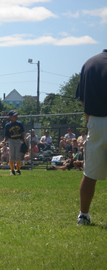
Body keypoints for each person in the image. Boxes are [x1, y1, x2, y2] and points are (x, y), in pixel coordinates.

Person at [75, 49, 107, 225]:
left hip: (96, 122)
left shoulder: (90, 63)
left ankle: (83, 215)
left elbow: (82, 99)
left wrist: (91, 119)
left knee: (89, 174)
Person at [1, 110, 26, 176]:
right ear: (10, 117)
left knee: (18, 156)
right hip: (11, 141)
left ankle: (18, 170)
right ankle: (12, 170)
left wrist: (23, 140)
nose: (16, 116)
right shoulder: (8, 125)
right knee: (11, 156)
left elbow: (22, 133)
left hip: (18, 140)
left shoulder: (19, 123)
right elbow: (6, 135)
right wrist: (4, 140)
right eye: (14, 115)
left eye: (16, 115)